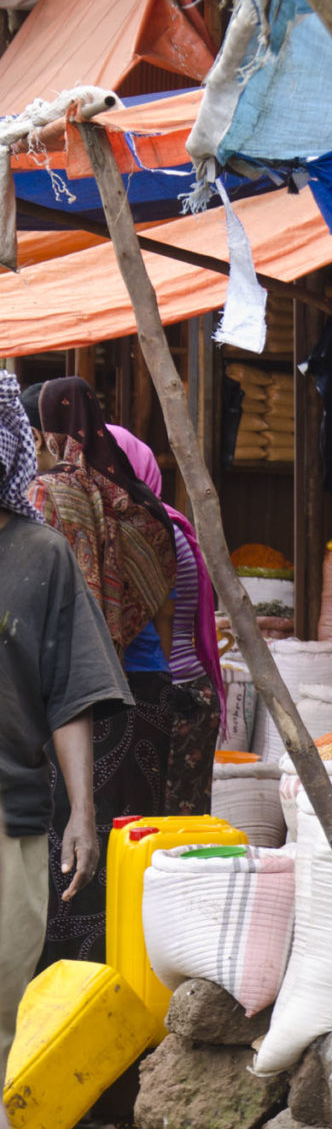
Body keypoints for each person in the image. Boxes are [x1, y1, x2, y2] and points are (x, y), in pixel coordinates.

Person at [26, 376, 178, 966]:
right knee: (125, 848)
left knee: (65, 852)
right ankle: (126, 975)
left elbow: (62, 623)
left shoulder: (50, 499)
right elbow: (162, 612)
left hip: (77, 701)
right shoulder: (141, 506)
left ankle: (63, 986)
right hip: (143, 692)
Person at [0, 373, 129, 1063]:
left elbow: (71, 693)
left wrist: (83, 812)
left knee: (2, 987)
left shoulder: (41, 555)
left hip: (10, 812)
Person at [109, 424, 223, 816]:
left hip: (173, 693)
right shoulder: (169, 523)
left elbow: (166, 619)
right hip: (184, 690)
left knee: (167, 824)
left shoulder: (154, 530)